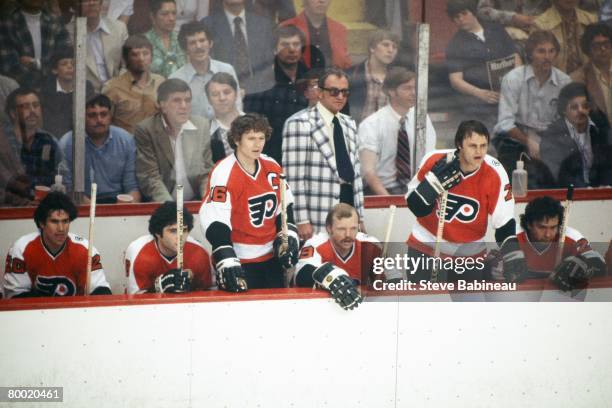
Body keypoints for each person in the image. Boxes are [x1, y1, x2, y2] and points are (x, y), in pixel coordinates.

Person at [405, 120, 527, 284]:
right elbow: (415, 206)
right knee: (424, 307)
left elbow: (504, 223)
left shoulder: (495, 172)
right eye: (473, 146)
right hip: (426, 246)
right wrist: (431, 187)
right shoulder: (434, 160)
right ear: (459, 145)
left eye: (483, 146)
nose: (479, 152)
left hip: (469, 254)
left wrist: (512, 254)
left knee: (469, 308)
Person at [199, 113, 299, 291]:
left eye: (261, 138)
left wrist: (288, 236)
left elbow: (284, 208)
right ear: (237, 140)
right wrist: (226, 256)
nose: (257, 144)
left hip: (271, 258)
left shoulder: (272, 166)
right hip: (240, 260)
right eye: (251, 138)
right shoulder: (224, 172)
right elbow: (216, 219)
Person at [282, 68, 365, 240]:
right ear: (319, 93)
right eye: (334, 91)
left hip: (348, 204)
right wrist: (301, 219)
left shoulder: (349, 123)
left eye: (345, 92)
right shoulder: (299, 123)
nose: (340, 97)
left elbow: (356, 173)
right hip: (317, 211)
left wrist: (360, 216)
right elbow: (293, 178)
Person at [3, 192, 112, 298]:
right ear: (41, 223)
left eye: (65, 221)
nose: (61, 228)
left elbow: (102, 292)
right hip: (35, 315)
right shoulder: (21, 249)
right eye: (54, 221)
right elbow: (15, 296)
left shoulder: (86, 250)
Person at [493, 30, 571, 174]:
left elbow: (567, 123)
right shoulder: (513, 78)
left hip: (551, 139)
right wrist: (529, 142)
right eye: (541, 51)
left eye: (551, 51)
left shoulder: (564, 82)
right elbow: (504, 123)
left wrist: (548, 145)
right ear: (529, 53)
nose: (547, 57)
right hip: (517, 139)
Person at [493, 196, 607, 291]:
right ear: (528, 224)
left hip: (559, 298)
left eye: (553, 227)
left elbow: (599, 263)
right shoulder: (512, 237)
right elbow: (492, 267)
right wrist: (496, 267)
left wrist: (585, 265)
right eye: (542, 227)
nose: (548, 234)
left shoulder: (571, 237)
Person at [358, 67, 437, 196]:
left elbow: (429, 160)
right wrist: (389, 200)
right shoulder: (371, 124)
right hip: (381, 192)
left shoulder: (422, 119)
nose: (413, 93)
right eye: (407, 88)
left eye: (415, 88)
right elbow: (368, 172)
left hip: (416, 190)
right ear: (391, 92)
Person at [446, 0, 522, 131]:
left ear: (473, 12)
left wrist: (515, 86)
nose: (461, 19)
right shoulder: (455, 44)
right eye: (456, 17)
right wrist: (480, 93)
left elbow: (515, 58)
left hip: (509, 95)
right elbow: (455, 80)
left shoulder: (496, 30)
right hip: (479, 103)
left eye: (464, 13)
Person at [135, 78, 212, 202]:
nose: (184, 106)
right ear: (162, 105)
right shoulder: (146, 130)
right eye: (177, 101)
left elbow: (206, 172)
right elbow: (150, 178)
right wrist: (171, 209)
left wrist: (206, 202)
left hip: (195, 201)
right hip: (162, 205)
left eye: (187, 100)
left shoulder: (201, 126)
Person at [243, 25, 309, 163]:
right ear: (274, 49)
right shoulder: (260, 83)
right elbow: (253, 127)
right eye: (285, 44)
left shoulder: (311, 79)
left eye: (296, 44)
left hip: (305, 154)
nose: (291, 49)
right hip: (272, 157)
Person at [295, 203, 380, 310]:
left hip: (358, 310)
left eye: (353, 228)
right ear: (329, 229)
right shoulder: (315, 244)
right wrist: (331, 279)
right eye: (341, 229)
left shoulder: (370, 245)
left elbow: (394, 279)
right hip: (320, 310)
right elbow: (301, 274)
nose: (348, 234)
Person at [59, 94, 141, 203]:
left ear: (110, 116)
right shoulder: (67, 143)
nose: (99, 120)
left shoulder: (126, 140)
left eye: (104, 114)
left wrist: (124, 208)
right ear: (81, 118)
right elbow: (66, 188)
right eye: (92, 115)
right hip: (81, 202)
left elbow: (132, 187)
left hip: (117, 202)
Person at [125, 201, 213, 293]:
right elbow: (134, 299)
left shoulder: (199, 253)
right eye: (173, 231)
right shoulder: (139, 252)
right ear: (158, 233)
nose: (180, 237)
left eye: (184, 230)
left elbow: (211, 294)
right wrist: (158, 287)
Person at [539, 82, 612, 187]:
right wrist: (584, 190)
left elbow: (608, 165)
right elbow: (556, 174)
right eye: (574, 107)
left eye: (585, 106)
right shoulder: (552, 135)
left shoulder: (600, 129)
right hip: (569, 194)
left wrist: (606, 187)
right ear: (564, 110)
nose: (581, 110)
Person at [201, 0, 275, 94]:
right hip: (223, 93)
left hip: (260, 93)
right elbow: (208, 65)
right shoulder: (208, 25)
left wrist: (252, 90)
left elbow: (267, 65)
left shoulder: (263, 24)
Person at [170, 21, 240, 119]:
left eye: (202, 40)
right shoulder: (176, 79)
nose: (198, 46)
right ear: (185, 49)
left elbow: (237, 107)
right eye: (192, 43)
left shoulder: (227, 70)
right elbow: (176, 117)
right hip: (194, 133)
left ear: (210, 43)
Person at [0, 0, 71, 88]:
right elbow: (9, 66)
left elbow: (64, 58)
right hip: (21, 93)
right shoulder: (6, 23)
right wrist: (40, 84)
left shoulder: (55, 22)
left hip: (54, 91)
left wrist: (35, 63)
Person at [102, 35, 165, 134]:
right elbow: (103, 122)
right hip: (125, 145)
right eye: (135, 54)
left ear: (152, 56)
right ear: (126, 59)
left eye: (145, 53)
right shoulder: (112, 87)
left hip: (154, 144)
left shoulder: (161, 82)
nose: (141, 58)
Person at [3, 87, 61, 188]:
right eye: (25, 107)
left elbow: (61, 174)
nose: (32, 111)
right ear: (13, 113)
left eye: (36, 105)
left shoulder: (49, 140)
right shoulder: (3, 141)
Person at [40, 48, 95, 139]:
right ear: (55, 70)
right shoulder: (46, 90)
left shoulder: (86, 87)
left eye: (73, 64)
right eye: (64, 64)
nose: (70, 67)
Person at [280, 0, 351, 69]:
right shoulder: (288, 27)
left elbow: (345, 64)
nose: (322, 1)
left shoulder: (339, 29)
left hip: (332, 79)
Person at [347, 29, 399, 123]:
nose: (390, 50)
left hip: (387, 133)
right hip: (357, 132)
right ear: (372, 48)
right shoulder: (352, 75)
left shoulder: (397, 78)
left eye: (394, 47)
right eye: (385, 45)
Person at [533, 0, 598, 73]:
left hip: (589, 78)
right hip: (556, 81)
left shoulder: (591, 20)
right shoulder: (541, 25)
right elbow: (540, 66)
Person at [79, 0, 129, 91]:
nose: (91, 3)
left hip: (116, 90)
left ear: (101, 3)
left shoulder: (119, 28)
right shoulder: (70, 33)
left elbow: (126, 65)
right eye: (85, 0)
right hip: (85, 94)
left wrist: (117, 86)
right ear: (78, 4)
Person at [570, 22, 612, 125]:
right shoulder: (577, 79)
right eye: (597, 46)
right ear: (587, 49)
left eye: (606, 44)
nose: (603, 49)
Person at [206, 72, 243, 163]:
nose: (222, 98)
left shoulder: (256, 124)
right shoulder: (206, 134)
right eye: (215, 94)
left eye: (227, 92)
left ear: (236, 94)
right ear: (209, 100)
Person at [144, 0, 186, 78]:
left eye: (174, 13)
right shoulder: (143, 42)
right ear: (152, 16)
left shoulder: (182, 39)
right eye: (164, 14)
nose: (171, 18)